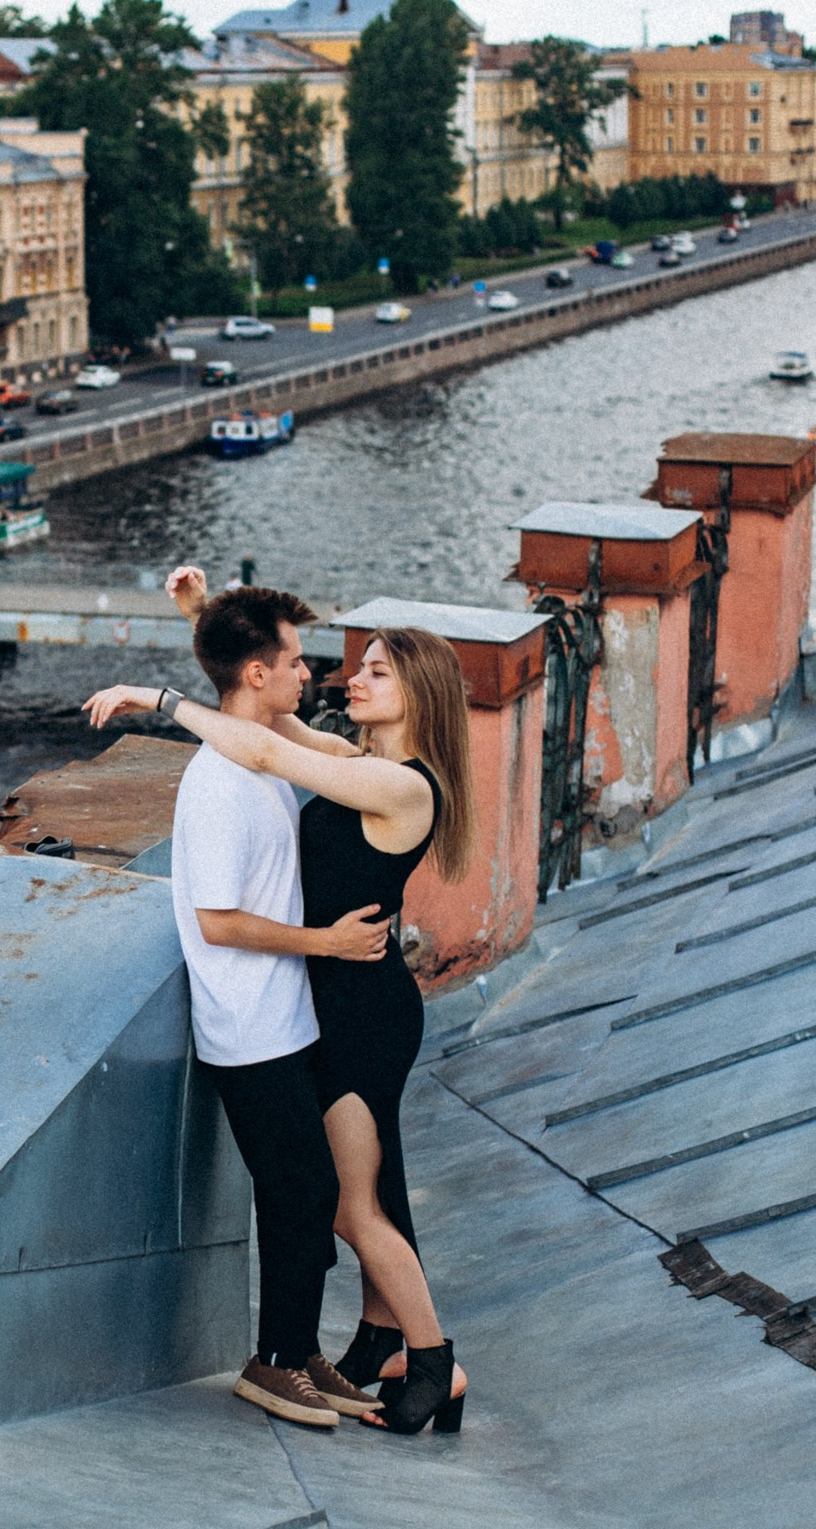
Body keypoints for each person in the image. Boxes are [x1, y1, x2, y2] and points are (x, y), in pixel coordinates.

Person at [87, 572, 476, 1437]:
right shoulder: (356, 761)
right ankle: (378, 1343)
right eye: (343, 667)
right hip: (325, 1000)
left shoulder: (403, 786)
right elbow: (262, 715)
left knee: (353, 1202)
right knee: (365, 1194)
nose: (346, 679)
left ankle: (432, 1364)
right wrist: (208, 626)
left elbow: (261, 748)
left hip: (359, 1005)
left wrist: (157, 698)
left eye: (375, 671)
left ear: (418, 695)